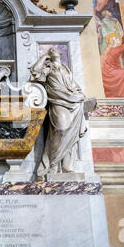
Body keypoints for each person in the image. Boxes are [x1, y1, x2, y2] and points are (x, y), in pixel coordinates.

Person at [31, 47, 86, 176]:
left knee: (70, 133)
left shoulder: (66, 68)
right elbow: (35, 71)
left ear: (60, 54)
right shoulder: (48, 67)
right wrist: (44, 56)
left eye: (55, 50)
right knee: (61, 129)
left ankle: (66, 165)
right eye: (50, 50)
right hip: (57, 101)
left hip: (73, 101)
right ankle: (53, 163)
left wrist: (80, 95)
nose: (53, 50)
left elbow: (73, 85)